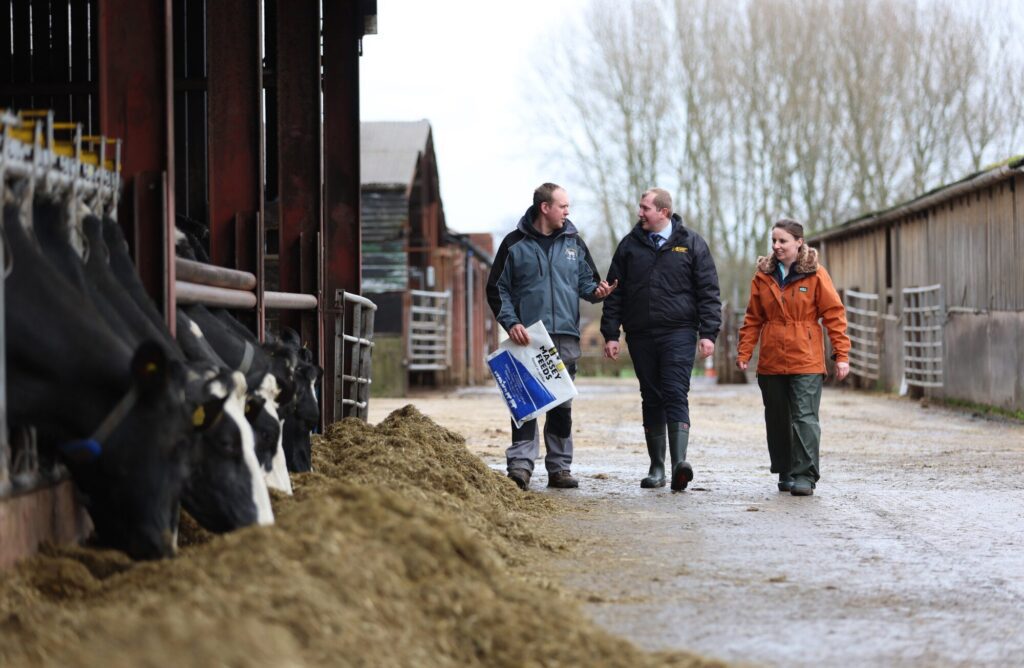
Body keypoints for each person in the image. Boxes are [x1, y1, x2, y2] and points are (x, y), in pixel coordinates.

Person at [487, 183, 617, 491]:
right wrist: (511, 322)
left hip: (566, 338)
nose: (568, 211)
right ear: (545, 208)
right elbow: (497, 289)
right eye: (563, 206)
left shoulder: (574, 243)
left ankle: (559, 468)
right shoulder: (513, 244)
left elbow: (588, 284)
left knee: (561, 405)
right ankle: (520, 465)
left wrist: (599, 292)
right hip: (528, 338)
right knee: (526, 402)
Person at [601, 188, 721, 492]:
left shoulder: (691, 243)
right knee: (651, 396)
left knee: (675, 392)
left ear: (663, 212)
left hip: (679, 332)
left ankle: (680, 463)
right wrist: (611, 334)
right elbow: (615, 294)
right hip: (640, 334)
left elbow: (708, 291)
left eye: (645, 208)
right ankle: (657, 468)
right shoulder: (629, 246)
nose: (640, 213)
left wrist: (708, 333)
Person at [735, 218, 850, 496]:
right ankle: (785, 470)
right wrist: (745, 351)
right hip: (772, 360)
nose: (776, 246)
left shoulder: (816, 274)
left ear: (799, 242)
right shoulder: (763, 276)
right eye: (774, 240)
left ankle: (804, 475)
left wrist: (841, 354)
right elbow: (753, 317)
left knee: (805, 417)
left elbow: (834, 314)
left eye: (782, 241)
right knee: (777, 417)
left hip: (806, 358)